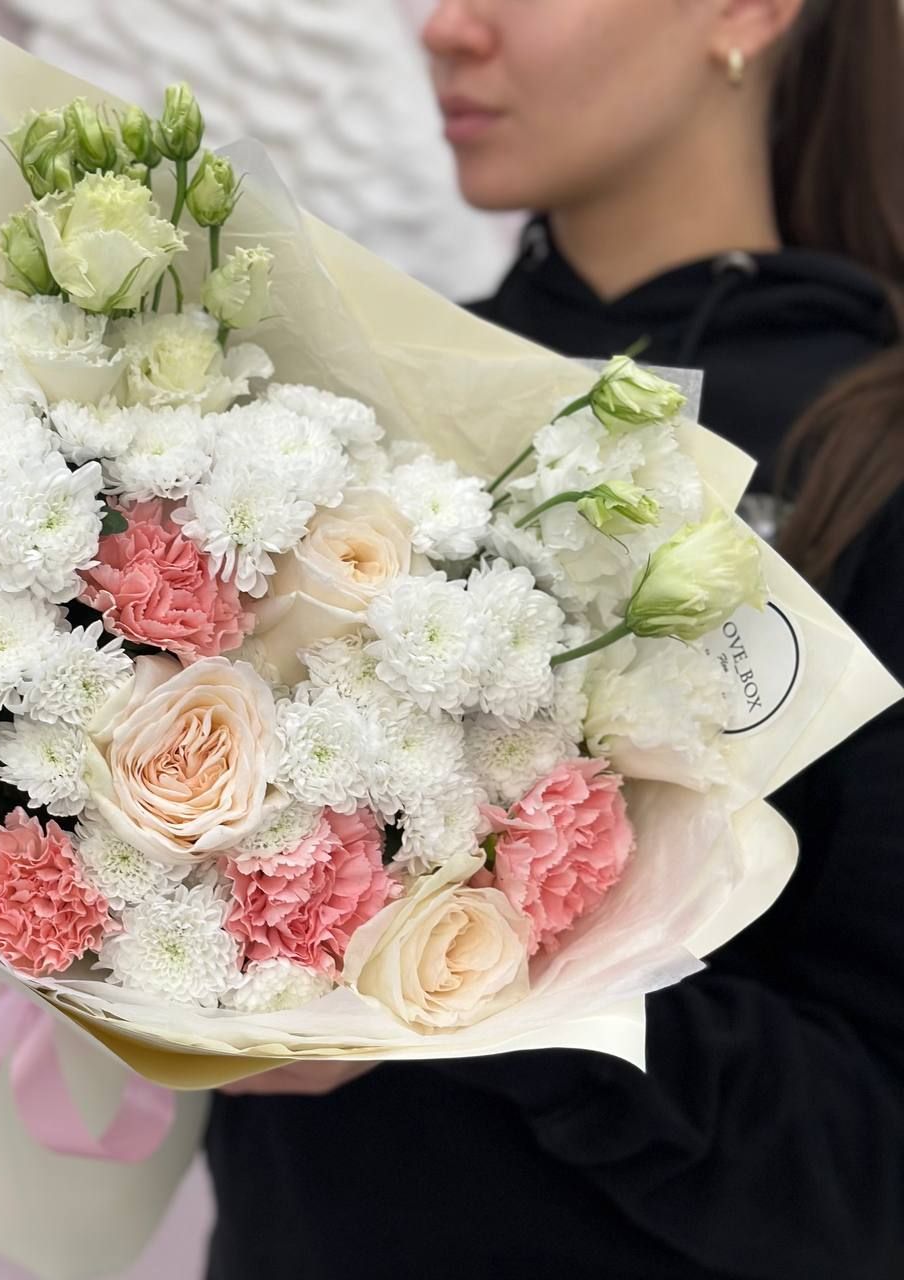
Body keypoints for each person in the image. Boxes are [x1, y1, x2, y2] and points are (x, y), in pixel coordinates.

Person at [204, 2, 904, 1277]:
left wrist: (480, 983)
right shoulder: (343, 391)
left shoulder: (865, 447)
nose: (444, 27)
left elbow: (869, 1159)